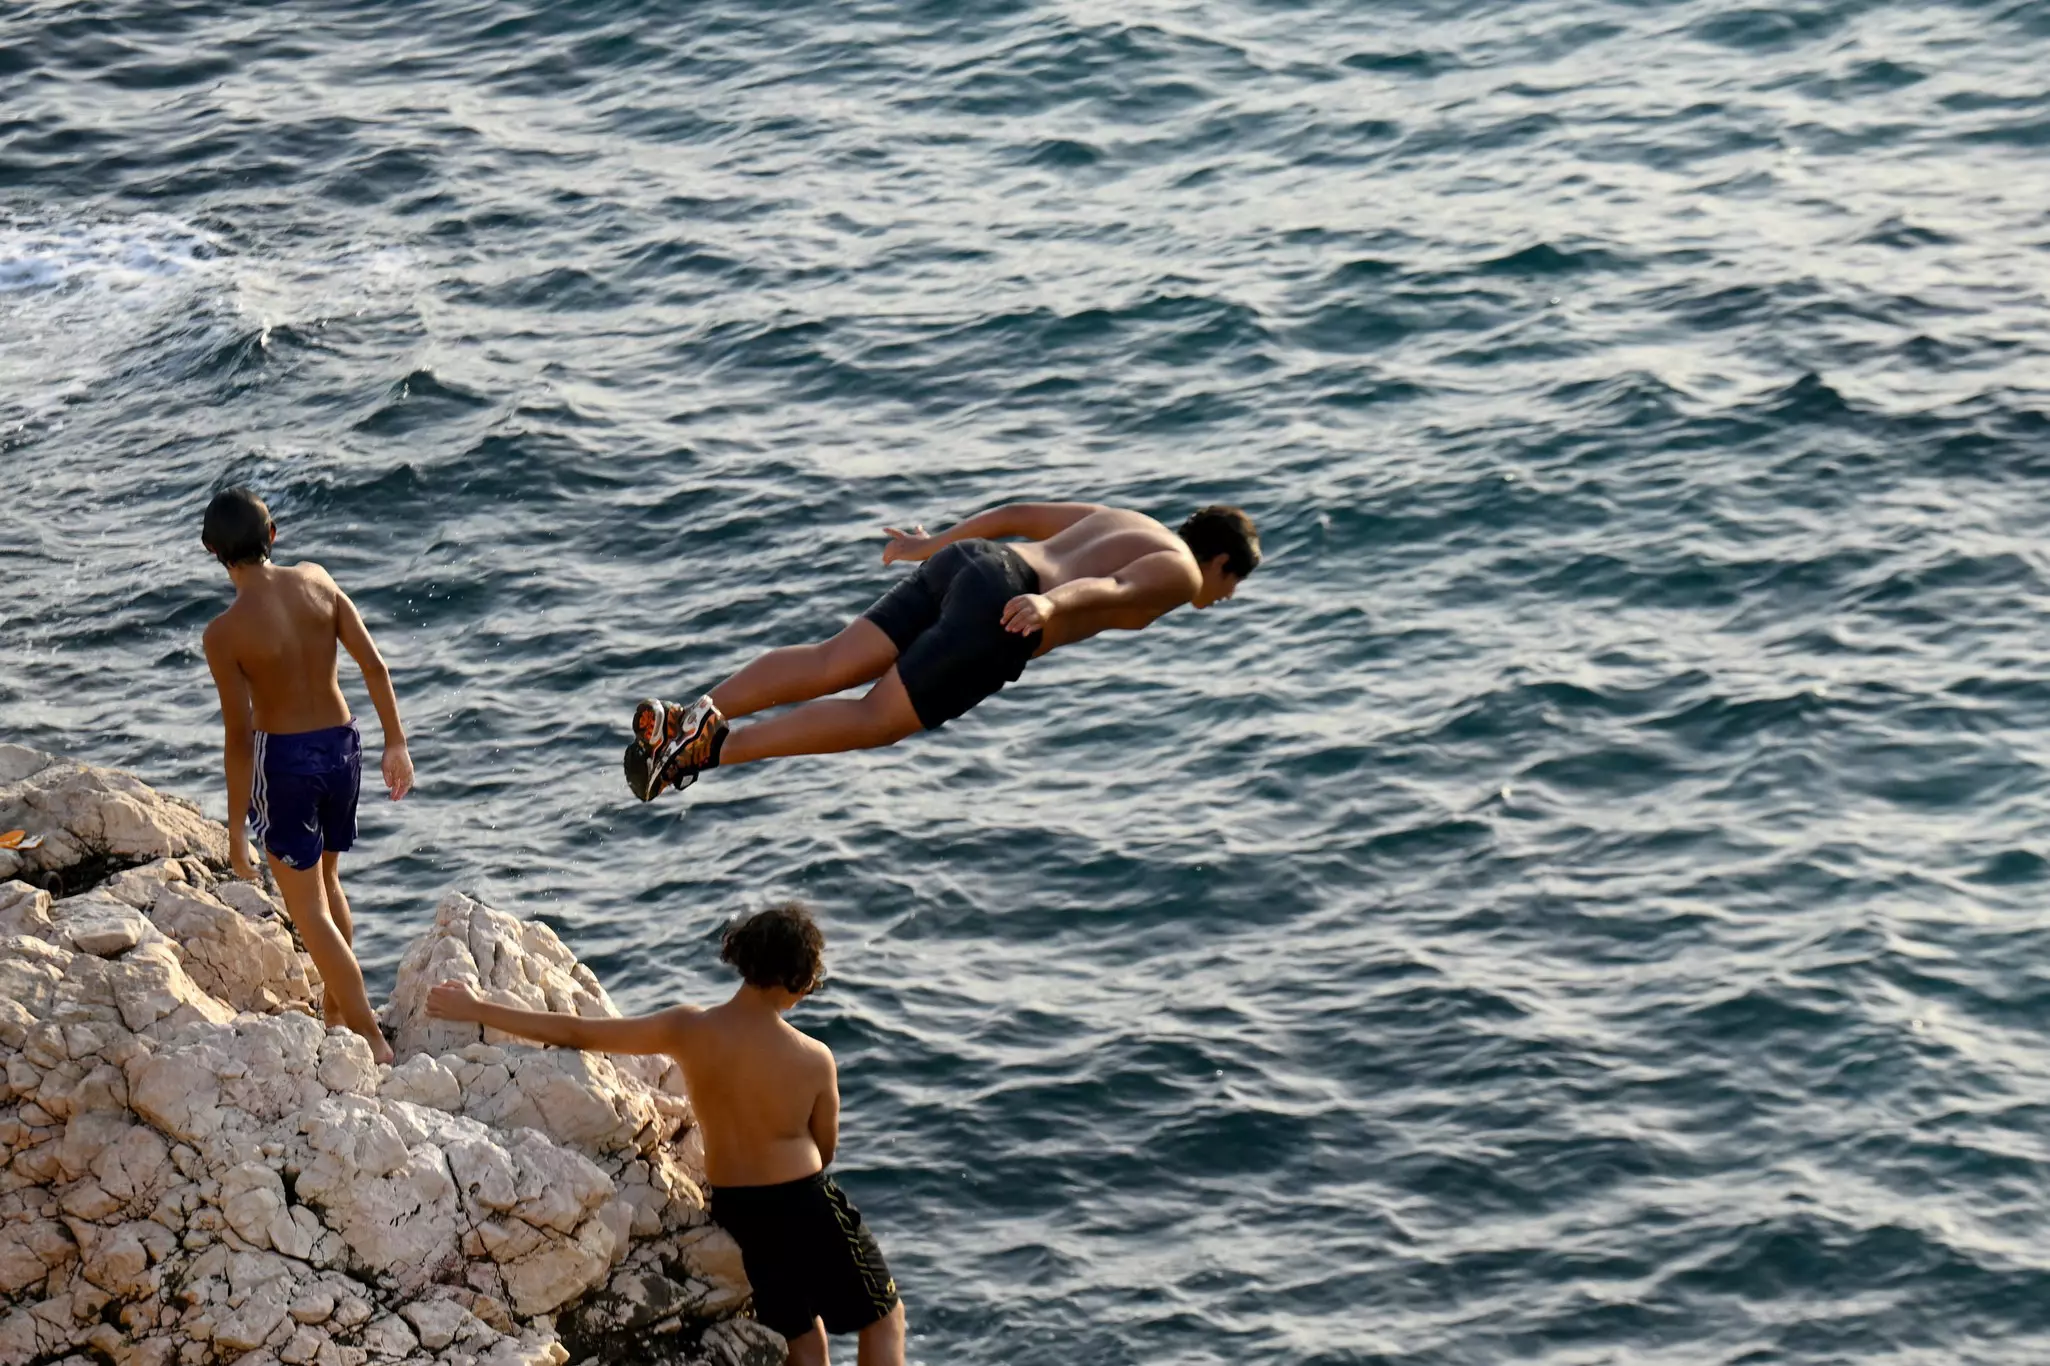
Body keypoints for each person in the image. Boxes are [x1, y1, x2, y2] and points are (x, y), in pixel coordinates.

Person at [424, 902, 906, 1366]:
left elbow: (577, 1031)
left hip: (741, 1209)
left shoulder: (688, 1028)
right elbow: (825, 1148)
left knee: (802, 1335)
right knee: (885, 1319)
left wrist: (477, 1007)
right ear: (799, 978)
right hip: (803, 1201)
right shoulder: (814, 1057)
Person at [625, 501, 1260, 798]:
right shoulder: (1181, 571)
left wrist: (929, 546)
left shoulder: (1129, 521)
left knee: (830, 660)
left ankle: (687, 718)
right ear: (1221, 562)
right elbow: (1114, 588)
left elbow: (1020, 512)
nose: (1226, 596)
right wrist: (1049, 606)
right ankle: (709, 750)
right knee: (876, 720)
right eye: (1234, 583)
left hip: (973, 561)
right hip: (1008, 608)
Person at [199, 487, 413, 1064]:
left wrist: (236, 831)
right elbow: (375, 666)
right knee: (330, 881)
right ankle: (337, 1011)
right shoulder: (318, 580)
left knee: (309, 910)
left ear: (212, 551)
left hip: (286, 763)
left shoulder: (223, 634)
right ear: (273, 535)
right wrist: (396, 742)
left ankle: (370, 1038)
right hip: (344, 746)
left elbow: (238, 736)